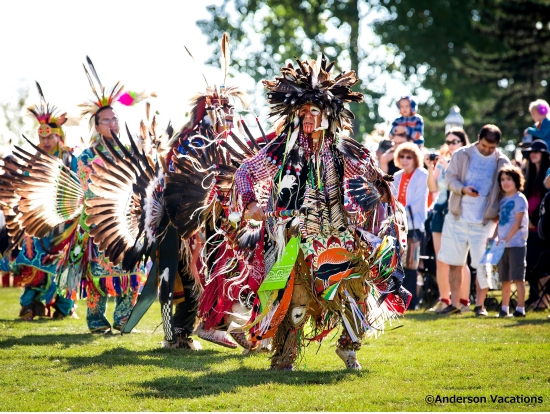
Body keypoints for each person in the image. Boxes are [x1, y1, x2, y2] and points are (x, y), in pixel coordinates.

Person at [191, 55, 409, 370]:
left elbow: (371, 174)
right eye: (302, 111)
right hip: (295, 236)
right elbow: (245, 173)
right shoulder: (285, 149)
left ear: (329, 114)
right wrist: (250, 202)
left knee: (357, 291)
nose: (307, 117)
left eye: (314, 111)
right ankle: (284, 358)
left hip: (336, 233)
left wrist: (379, 187)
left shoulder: (342, 149)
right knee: (295, 301)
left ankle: (349, 348)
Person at [15, 82, 78, 320]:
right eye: (42, 137)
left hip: (66, 221)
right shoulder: (33, 160)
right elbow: (25, 188)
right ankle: (30, 306)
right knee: (34, 264)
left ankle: (63, 308)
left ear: (59, 136)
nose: (46, 141)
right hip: (39, 222)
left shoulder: (71, 160)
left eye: (50, 135)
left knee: (65, 264)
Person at [438, 124, 510, 316]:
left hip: (485, 220)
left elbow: (506, 189)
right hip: (457, 216)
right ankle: (454, 304)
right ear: (479, 138)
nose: (487, 150)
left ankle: (480, 306)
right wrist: (462, 189)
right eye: (485, 145)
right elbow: (450, 178)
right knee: (455, 262)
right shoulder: (462, 154)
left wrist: (497, 217)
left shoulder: (502, 161)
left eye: (491, 148)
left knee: (483, 265)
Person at [425, 128, 471, 313]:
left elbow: (462, 185)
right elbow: (432, 187)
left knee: (460, 261)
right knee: (441, 259)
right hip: (440, 210)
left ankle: (463, 302)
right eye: (449, 141)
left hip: (458, 211)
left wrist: (448, 166)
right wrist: (431, 168)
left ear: (462, 143)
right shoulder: (443, 162)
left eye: (455, 142)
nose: (450, 145)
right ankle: (445, 300)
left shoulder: (466, 161)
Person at [392, 142, 430, 310]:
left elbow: (418, 200)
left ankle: (411, 303)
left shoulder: (422, 174)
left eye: (409, 157)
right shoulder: (397, 175)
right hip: (396, 225)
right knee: (396, 264)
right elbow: (392, 198)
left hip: (413, 226)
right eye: (402, 156)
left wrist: (399, 211)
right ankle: (396, 301)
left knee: (411, 266)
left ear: (415, 158)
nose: (405, 160)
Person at [488, 165, 528, 317]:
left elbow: (518, 223)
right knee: (504, 278)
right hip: (502, 245)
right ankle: (504, 309)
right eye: (503, 179)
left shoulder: (519, 198)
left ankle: (520, 309)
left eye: (509, 179)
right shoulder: (503, 200)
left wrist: (506, 239)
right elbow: (501, 222)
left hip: (516, 244)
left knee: (518, 277)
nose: (505, 183)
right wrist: (494, 238)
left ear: (516, 180)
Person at [520, 140, 550, 308]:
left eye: (537, 152)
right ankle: (535, 298)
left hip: (543, 226)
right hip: (528, 228)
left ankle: (543, 300)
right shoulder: (528, 175)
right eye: (532, 151)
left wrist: (534, 217)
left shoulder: (547, 176)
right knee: (531, 263)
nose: (533, 154)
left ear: (544, 155)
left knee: (544, 263)